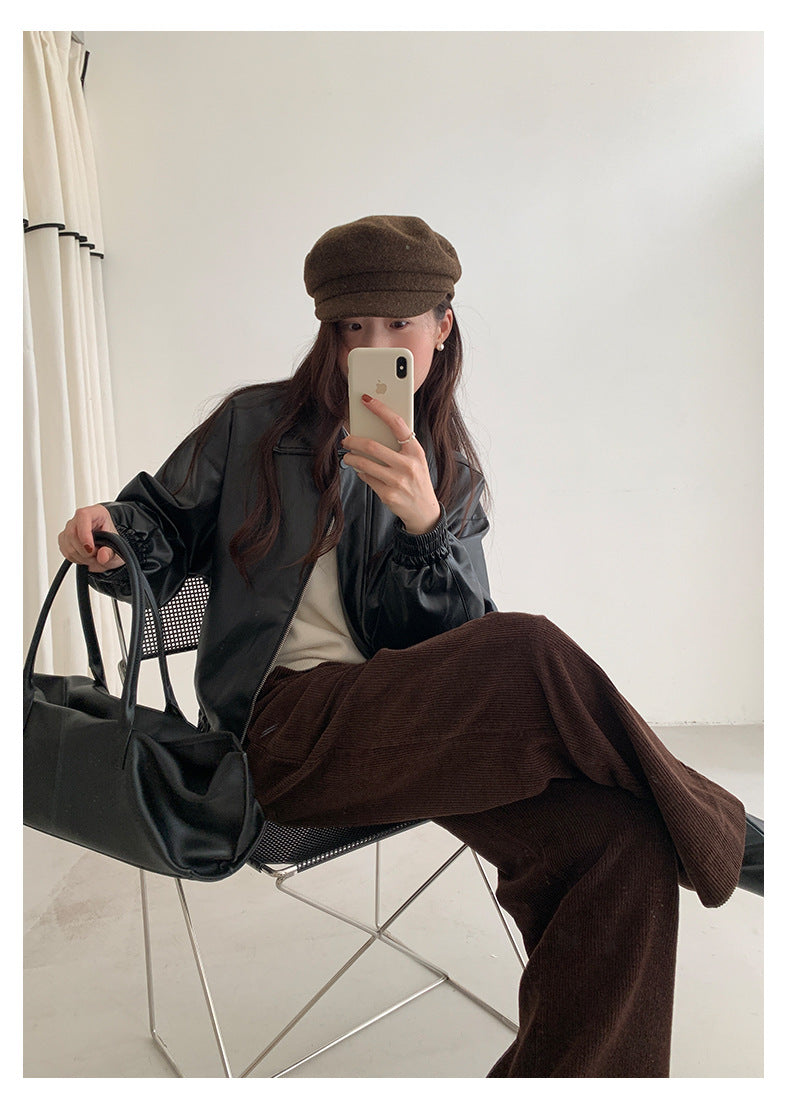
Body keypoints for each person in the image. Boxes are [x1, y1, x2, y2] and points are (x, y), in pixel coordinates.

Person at [57, 214, 763, 1078]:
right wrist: (109, 533)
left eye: (399, 324)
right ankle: (730, 836)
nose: (374, 347)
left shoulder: (450, 472)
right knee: (530, 647)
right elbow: (158, 526)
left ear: (443, 326)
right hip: (281, 733)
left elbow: (466, 652)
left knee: (620, 841)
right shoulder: (254, 426)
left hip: (409, 729)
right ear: (328, 330)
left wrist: (428, 529)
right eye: (353, 326)